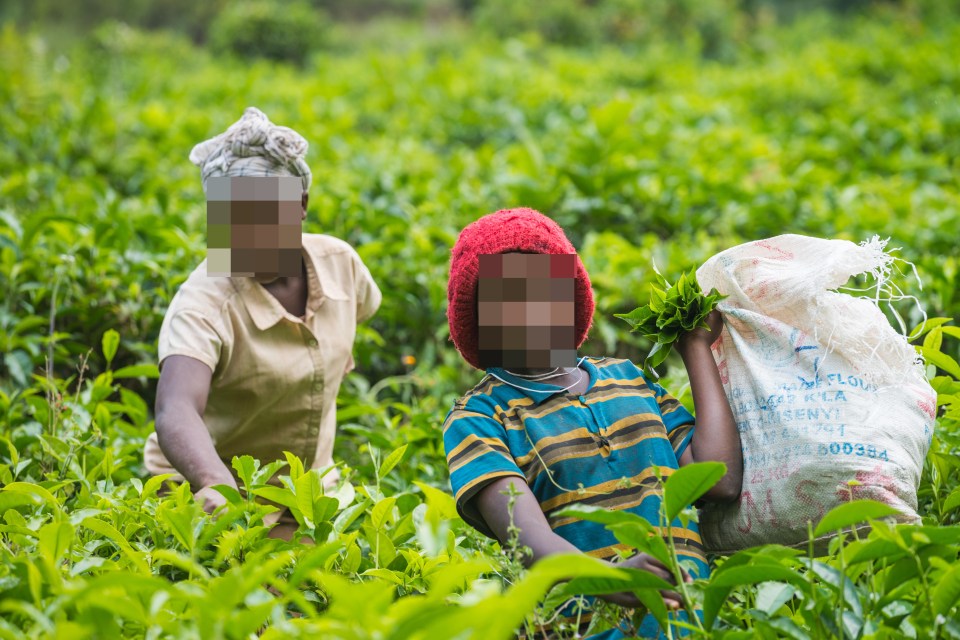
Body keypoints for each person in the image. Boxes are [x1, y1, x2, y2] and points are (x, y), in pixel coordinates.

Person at [442, 208, 742, 638]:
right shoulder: (479, 418)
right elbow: (531, 546)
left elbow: (720, 480)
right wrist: (616, 579)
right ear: (481, 317)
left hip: (689, 625)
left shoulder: (628, 378)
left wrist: (695, 347)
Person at [145, 108, 381, 536]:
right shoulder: (203, 301)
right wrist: (214, 483)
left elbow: (357, 313)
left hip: (310, 491)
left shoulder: (342, 265)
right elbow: (175, 406)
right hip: (214, 494)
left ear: (301, 205)